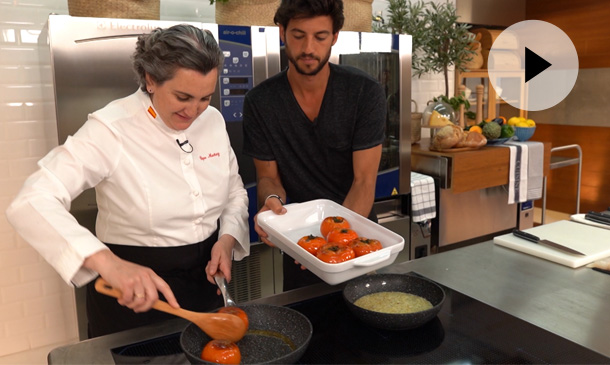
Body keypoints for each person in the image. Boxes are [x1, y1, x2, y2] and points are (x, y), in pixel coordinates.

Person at [6, 24, 250, 337]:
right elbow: (31, 201)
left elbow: (234, 192)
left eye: (205, 97)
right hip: (132, 300)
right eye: (183, 97)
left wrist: (227, 238)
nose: (194, 111)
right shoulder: (111, 128)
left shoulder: (212, 120)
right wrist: (108, 263)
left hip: (205, 292)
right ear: (151, 80)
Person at [242, 0, 386, 291]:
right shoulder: (260, 102)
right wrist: (272, 205)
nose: (308, 48)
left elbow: (364, 181)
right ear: (281, 32)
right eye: (298, 35)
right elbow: (269, 178)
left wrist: (333, 246)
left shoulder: (364, 93)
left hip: (356, 243)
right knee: (306, 327)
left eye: (320, 37)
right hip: (300, 243)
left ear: (334, 37)